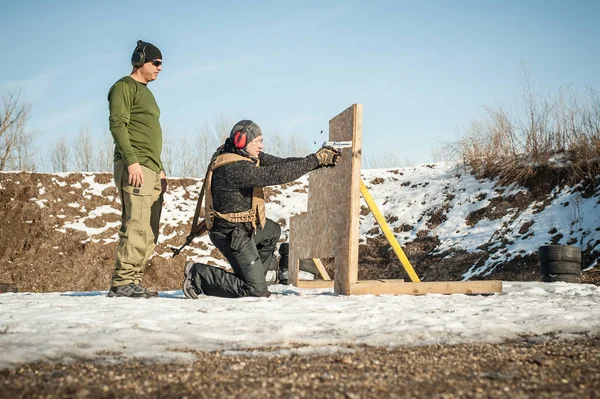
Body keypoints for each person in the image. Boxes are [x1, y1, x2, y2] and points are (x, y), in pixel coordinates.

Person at [182, 120, 341, 298]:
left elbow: (281, 164)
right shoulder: (233, 168)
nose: (261, 146)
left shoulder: (243, 154)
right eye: (257, 141)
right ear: (242, 141)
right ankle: (197, 274)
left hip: (244, 228)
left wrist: (317, 160)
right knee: (256, 291)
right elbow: (277, 174)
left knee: (272, 231)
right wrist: (315, 160)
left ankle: (255, 278)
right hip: (231, 234)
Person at [106, 40, 167, 298]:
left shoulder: (148, 93)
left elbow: (148, 134)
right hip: (136, 165)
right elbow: (118, 125)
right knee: (136, 225)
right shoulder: (123, 87)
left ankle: (134, 280)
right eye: (156, 63)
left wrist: (161, 169)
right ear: (139, 60)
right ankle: (122, 283)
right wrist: (132, 161)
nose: (160, 69)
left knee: (150, 229)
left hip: (151, 168)